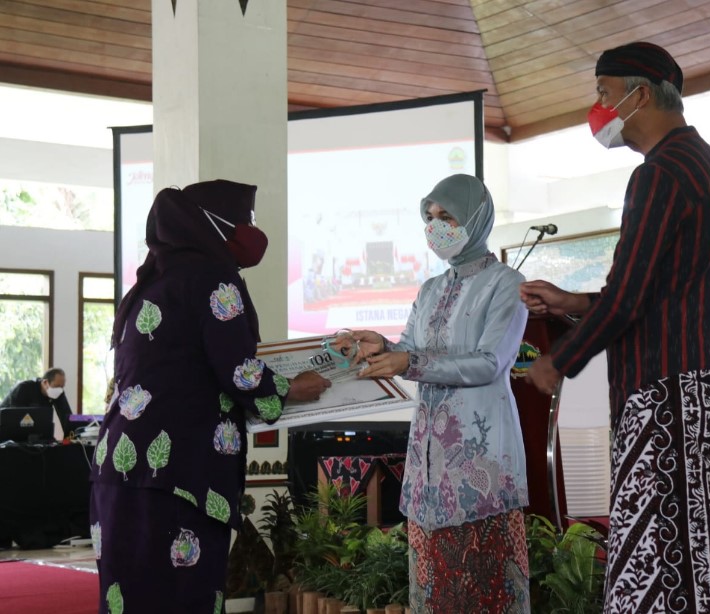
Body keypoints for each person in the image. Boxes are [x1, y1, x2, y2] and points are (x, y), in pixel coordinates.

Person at [519, 42, 710, 612]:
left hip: (665, 399)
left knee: (661, 562)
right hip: (697, 393)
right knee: (701, 558)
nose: (597, 109)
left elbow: (627, 298)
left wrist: (558, 361)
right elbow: (651, 290)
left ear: (640, 94)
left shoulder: (659, 174)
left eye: (603, 93)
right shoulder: (706, 166)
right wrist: (571, 301)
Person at [89, 180, 331, 613]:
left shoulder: (151, 280)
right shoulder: (213, 278)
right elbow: (237, 371)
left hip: (121, 467)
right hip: (180, 475)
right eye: (246, 220)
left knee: (131, 598)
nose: (252, 230)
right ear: (214, 224)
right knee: (184, 599)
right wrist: (293, 388)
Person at [350, 174, 530, 613]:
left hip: (480, 460)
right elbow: (410, 351)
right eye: (430, 218)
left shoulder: (507, 283)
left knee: (485, 590)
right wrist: (383, 347)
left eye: (447, 216)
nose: (436, 227)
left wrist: (408, 361)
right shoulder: (430, 289)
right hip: (429, 465)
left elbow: (490, 363)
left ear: (476, 217)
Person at [0, 367, 73, 438]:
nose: (59, 389)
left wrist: (72, 438)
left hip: (36, 437)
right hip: (6, 434)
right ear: (45, 382)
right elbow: (16, 419)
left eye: (62, 387)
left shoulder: (58, 392)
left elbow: (66, 417)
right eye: (56, 386)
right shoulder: (23, 388)